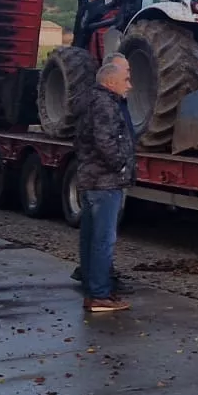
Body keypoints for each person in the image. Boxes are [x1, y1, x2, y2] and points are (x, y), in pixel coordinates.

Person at [74, 55, 135, 313]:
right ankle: (99, 294)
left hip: (91, 180)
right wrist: (121, 164)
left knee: (90, 237)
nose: (129, 85)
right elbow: (106, 141)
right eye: (125, 79)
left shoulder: (89, 101)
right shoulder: (105, 105)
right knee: (103, 239)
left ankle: (93, 288)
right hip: (105, 183)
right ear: (110, 82)